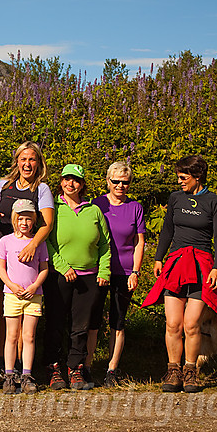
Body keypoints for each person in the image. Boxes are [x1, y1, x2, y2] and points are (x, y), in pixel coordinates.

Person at [144, 155, 217, 393]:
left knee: (191, 324)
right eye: (179, 177)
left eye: (184, 178)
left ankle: (190, 371)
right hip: (176, 264)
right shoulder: (175, 198)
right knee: (173, 324)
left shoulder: (214, 201)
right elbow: (167, 230)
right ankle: (173, 371)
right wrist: (158, 257)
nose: (180, 182)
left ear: (198, 176)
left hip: (202, 265)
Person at [0, 141, 55, 387]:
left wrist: (33, 245)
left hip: (29, 255)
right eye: (23, 159)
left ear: (39, 163)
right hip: (1, 251)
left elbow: (47, 223)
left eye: (32, 159)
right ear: (17, 161)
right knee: (1, 313)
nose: (27, 164)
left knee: (26, 325)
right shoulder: (3, 185)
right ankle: (2, 366)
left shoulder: (42, 189)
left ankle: (24, 373)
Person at [42, 164, 111, 391]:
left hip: (89, 277)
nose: (70, 184)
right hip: (60, 275)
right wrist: (62, 266)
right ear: (61, 182)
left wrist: (103, 271)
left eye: (75, 180)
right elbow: (47, 242)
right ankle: (53, 368)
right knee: (55, 322)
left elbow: (104, 244)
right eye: (66, 179)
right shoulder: (54, 207)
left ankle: (75, 367)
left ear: (82, 184)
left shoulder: (94, 210)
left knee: (80, 326)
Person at [90, 162, 146, 387]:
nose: (120, 186)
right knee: (92, 320)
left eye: (125, 182)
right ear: (108, 181)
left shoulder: (135, 207)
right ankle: (86, 365)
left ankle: (112, 369)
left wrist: (135, 271)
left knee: (118, 321)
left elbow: (139, 242)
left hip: (124, 271)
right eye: (116, 182)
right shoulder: (97, 204)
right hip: (98, 270)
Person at [0, 199, 49, 394]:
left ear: (34, 221)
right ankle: (9, 375)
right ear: (14, 220)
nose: (24, 223)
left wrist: (35, 286)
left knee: (29, 336)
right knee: (11, 335)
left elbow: (44, 269)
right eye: (21, 219)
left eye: (28, 219)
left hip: (33, 296)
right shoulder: (5, 241)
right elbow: (1, 268)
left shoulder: (39, 243)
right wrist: (10, 285)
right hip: (12, 295)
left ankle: (27, 375)